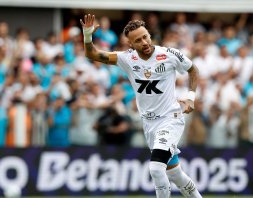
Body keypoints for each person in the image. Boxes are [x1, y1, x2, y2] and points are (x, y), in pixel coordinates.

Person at [80, 14, 202, 198]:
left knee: (155, 169)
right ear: (130, 44)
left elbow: (193, 70)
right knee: (174, 174)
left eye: (145, 36)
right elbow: (92, 54)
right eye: (138, 40)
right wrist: (88, 36)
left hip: (171, 119)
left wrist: (191, 97)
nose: (144, 42)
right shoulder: (127, 59)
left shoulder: (169, 55)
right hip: (150, 125)